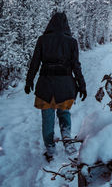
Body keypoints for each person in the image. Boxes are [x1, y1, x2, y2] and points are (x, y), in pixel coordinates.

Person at [24, 13, 87, 162]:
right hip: (65, 86)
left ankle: (50, 149)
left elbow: (34, 63)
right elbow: (76, 66)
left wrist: (29, 81)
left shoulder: (42, 40)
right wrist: (82, 85)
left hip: (46, 86)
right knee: (64, 114)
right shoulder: (72, 42)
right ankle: (67, 139)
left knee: (47, 119)